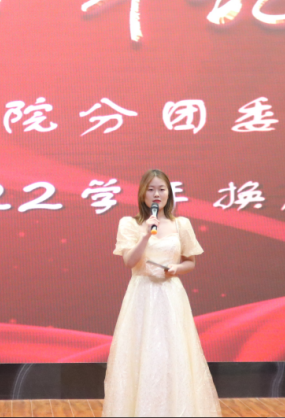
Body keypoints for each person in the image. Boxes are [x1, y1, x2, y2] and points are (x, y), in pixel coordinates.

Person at [103, 169, 221, 417]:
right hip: (142, 295)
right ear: (142, 194)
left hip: (171, 295)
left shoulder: (181, 224)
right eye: (151, 189)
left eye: (162, 189)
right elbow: (129, 261)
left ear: (169, 193)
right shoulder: (129, 224)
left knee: (173, 353)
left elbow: (190, 261)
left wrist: (176, 269)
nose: (156, 194)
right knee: (141, 352)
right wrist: (146, 235)